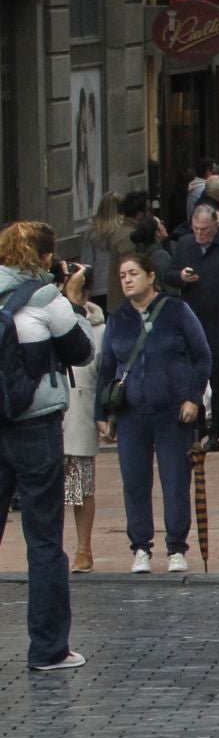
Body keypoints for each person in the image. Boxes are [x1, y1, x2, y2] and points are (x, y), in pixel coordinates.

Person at [0, 223, 95, 670]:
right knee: (42, 540)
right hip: (33, 428)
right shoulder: (44, 298)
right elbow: (80, 351)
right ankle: (49, 648)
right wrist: (72, 299)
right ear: (43, 258)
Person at [95, 252, 210, 574]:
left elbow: (202, 356)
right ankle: (141, 547)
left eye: (133, 273)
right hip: (132, 413)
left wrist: (193, 398)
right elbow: (107, 368)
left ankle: (176, 547)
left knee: (175, 480)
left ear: (150, 276)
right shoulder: (118, 319)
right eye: (122, 275)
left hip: (172, 412)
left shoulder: (176, 311)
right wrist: (100, 413)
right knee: (134, 482)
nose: (127, 280)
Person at [169, 204, 219, 449]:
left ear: (215, 226)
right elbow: (169, 274)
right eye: (196, 229)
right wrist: (180, 277)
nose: (200, 234)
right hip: (192, 318)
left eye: (204, 229)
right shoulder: (184, 244)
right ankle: (199, 422)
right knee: (192, 372)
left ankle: (217, 430)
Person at [63, 298, 102, 573]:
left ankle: (83, 549)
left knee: (80, 488)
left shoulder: (96, 326)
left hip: (78, 412)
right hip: (46, 415)